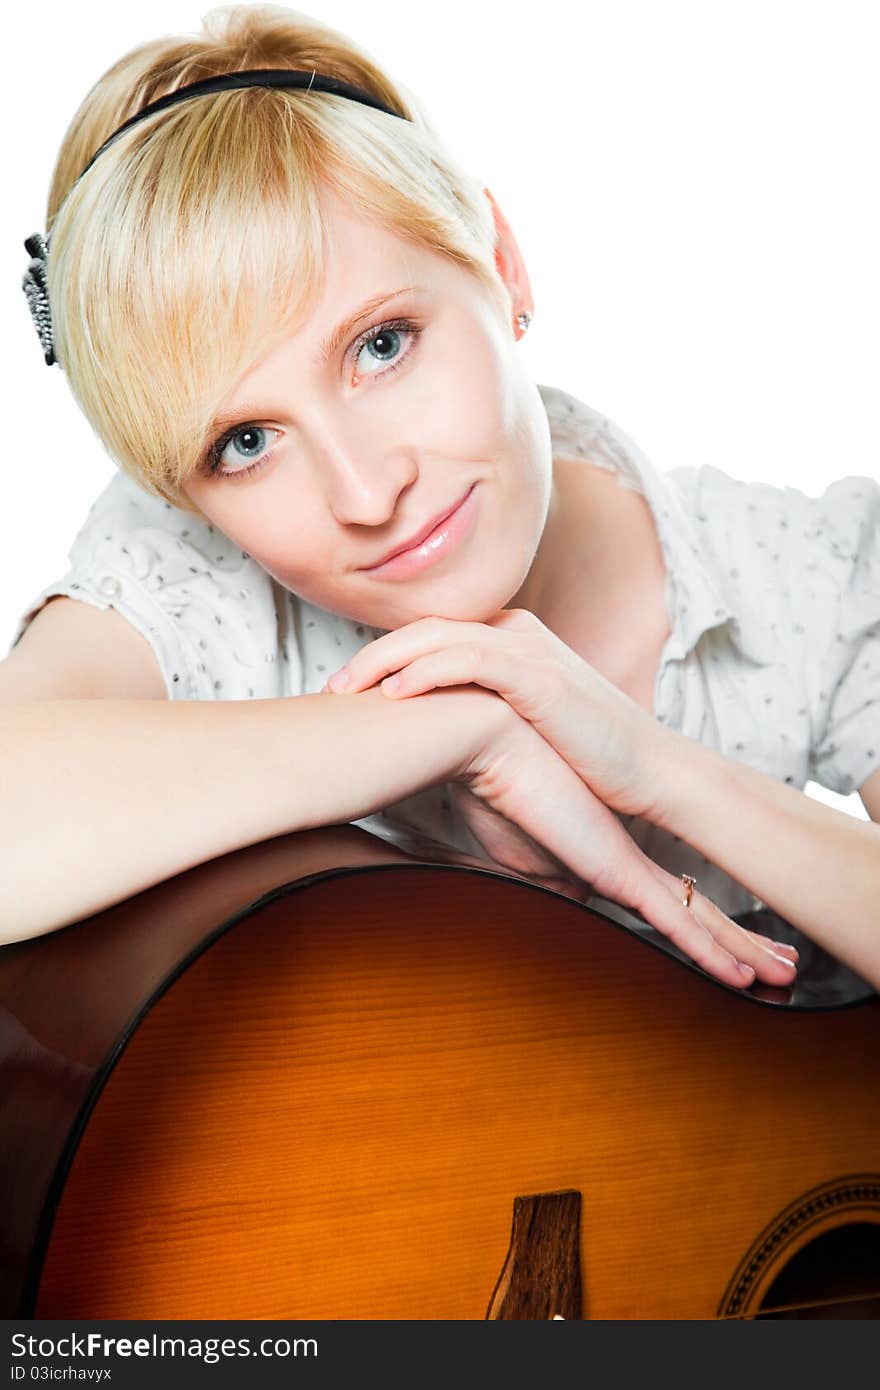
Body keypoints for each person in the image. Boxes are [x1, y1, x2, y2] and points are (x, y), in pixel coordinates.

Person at [2, 4, 877, 992]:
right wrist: (460, 729)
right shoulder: (194, 583)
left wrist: (657, 770)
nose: (367, 491)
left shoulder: (802, 574)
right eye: (245, 443)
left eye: (382, 345)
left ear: (500, 262)